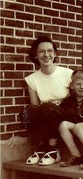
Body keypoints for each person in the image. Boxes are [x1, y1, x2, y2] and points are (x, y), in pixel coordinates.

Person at [24, 36, 74, 166]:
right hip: (46, 115)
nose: (46, 55)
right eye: (41, 51)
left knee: (47, 107)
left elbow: (77, 100)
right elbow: (35, 107)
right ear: (35, 55)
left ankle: (53, 149)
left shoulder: (68, 74)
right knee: (30, 110)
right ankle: (41, 147)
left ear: (55, 54)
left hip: (66, 115)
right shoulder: (32, 79)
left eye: (50, 51)